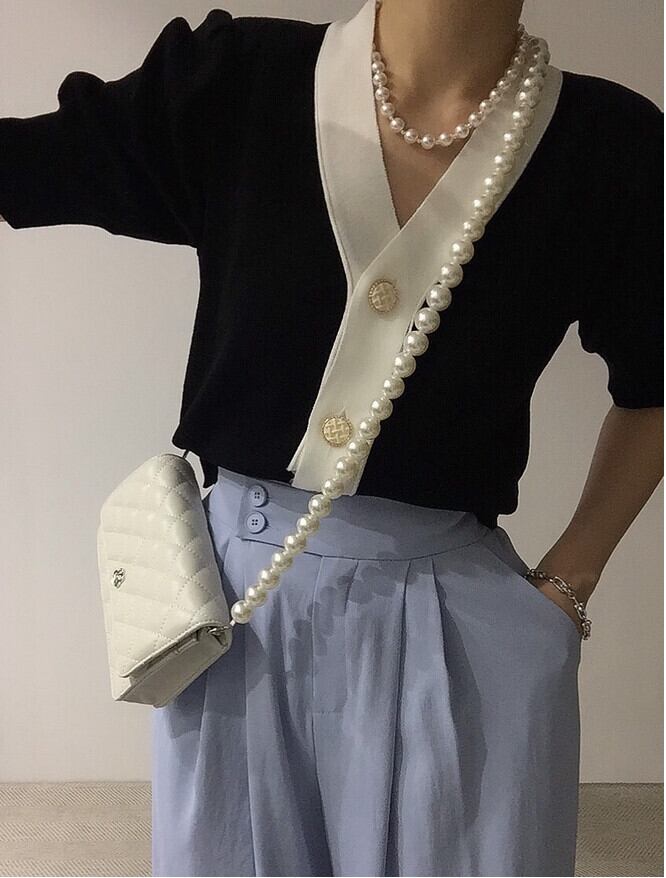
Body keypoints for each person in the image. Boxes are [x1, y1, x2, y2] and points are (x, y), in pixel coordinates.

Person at [1, 0, 663, 875]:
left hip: (462, 624)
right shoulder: (238, 82)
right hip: (232, 615)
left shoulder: (611, 146)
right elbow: (29, 166)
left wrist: (569, 585)